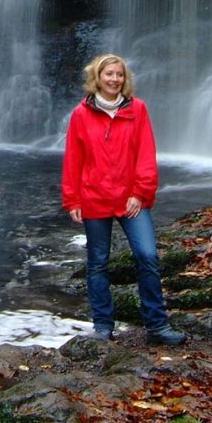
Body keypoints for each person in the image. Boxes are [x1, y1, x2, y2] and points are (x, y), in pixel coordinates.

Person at [61, 53, 187, 345]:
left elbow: (146, 153)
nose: (114, 80)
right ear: (97, 78)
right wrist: (72, 199)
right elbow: (74, 159)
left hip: (131, 199)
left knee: (147, 256)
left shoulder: (137, 109)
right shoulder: (82, 114)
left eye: (119, 75)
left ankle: (156, 325)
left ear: (124, 79)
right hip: (94, 197)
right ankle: (103, 326)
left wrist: (140, 193)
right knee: (97, 263)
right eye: (109, 75)